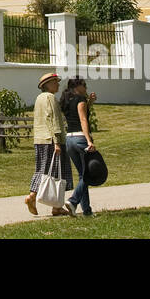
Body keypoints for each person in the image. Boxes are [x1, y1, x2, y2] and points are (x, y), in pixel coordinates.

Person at [24, 71, 72, 216]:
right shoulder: (50, 97)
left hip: (40, 140)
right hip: (52, 140)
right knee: (56, 172)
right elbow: (53, 120)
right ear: (47, 85)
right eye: (55, 82)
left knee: (44, 170)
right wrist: (57, 141)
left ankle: (56, 207)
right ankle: (33, 197)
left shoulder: (39, 98)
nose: (57, 84)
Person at [59, 77, 96, 216]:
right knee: (89, 174)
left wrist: (90, 103)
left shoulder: (67, 100)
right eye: (84, 85)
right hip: (80, 139)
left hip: (69, 140)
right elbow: (83, 119)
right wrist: (89, 140)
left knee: (83, 175)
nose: (86, 88)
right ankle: (73, 201)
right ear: (77, 87)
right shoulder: (80, 100)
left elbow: (76, 115)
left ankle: (87, 211)